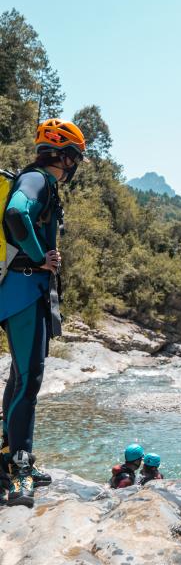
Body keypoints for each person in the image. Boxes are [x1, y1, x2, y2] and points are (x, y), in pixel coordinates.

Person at [0, 118, 87, 507]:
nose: (75, 166)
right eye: (76, 158)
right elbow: (17, 215)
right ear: (65, 156)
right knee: (30, 379)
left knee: (20, 376)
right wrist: (41, 258)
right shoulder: (37, 180)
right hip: (22, 292)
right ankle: (18, 469)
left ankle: (10, 454)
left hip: (18, 291)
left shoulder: (34, 178)